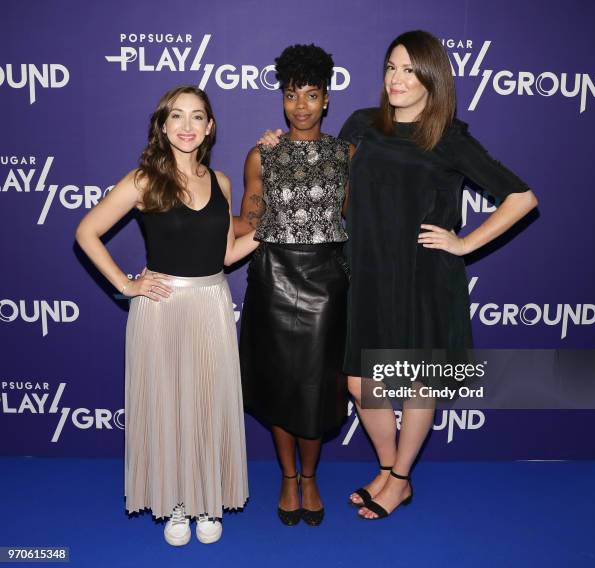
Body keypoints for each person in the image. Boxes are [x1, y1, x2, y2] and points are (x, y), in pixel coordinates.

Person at [260, 30, 538, 520]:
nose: (397, 78)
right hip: (365, 272)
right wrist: (281, 149)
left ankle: (400, 478)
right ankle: (390, 470)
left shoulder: (448, 136)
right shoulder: (362, 125)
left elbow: (521, 197)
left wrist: (463, 243)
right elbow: (323, 170)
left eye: (409, 69)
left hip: (423, 278)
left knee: (415, 386)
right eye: (391, 67)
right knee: (359, 384)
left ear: (432, 76)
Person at [75, 86, 258, 545]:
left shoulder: (221, 182)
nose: (187, 126)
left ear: (210, 127)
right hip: (161, 308)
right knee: (167, 403)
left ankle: (206, 500)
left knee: (207, 403)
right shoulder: (143, 180)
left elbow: (228, 253)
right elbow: (87, 232)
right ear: (162, 125)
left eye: (198, 117)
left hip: (212, 304)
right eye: (177, 116)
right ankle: (176, 501)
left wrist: (274, 230)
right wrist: (126, 284)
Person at [234, 44, 354, 526]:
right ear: (281, 100)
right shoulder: (262, 153)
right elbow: (249, 219)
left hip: (327, 281)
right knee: (281, 385)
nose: (300, 105)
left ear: (326, 99)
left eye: (310, 95)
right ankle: (289, 477)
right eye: (291, 95)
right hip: (273, 277)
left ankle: (311, 476)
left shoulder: (348, 154)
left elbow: (350, 214)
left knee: (315, 388)